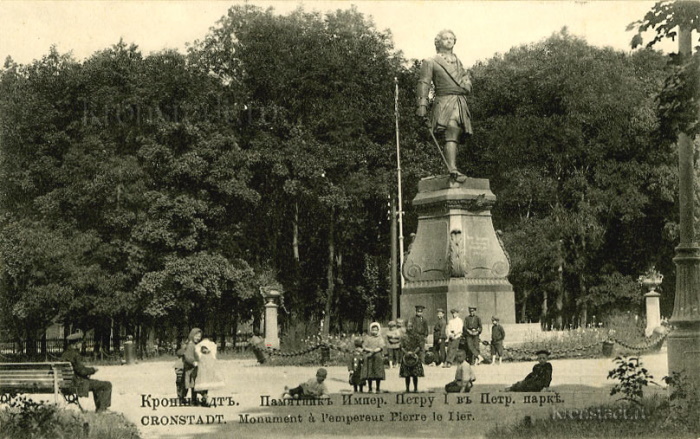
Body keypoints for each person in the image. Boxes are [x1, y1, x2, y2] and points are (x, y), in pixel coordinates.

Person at [416, 29, 473, 180]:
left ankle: (452, 166)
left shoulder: (458, 62)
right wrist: (422, 105)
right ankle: (452, 168)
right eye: (445, 38)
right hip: (444, 101)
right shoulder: (431, 61)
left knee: (456, 132)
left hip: (459, 101)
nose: (449, 41)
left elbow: (466, 79)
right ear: (438, 42)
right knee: (451, 129)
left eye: (451, 38)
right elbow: (424, 83)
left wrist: (467, 85)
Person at [60, 332, 112, 413]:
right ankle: (102, 409)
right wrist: (93, 370)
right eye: (80, 343)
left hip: (68, 383)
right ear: (76, 344)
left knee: (97, 384)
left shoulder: (64, 354)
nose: (81, 345)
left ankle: (101, 408)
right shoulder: (75, 354)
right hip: (78, 384)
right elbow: (82, 371)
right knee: (107, 385)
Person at [183, 327, 207, 406]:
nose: (198, 338)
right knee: (195, 383)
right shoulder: (191, 345)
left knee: (196, 384)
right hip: (191, 368)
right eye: (196, 336)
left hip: (197, 367)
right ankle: (201, 397)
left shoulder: (197, 345)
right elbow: (188, 356)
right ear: (192, 335)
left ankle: (195, 399)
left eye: (199, 337)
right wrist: (193, 362)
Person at [399, 321, 425, 393]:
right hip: (406, 357)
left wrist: (414, 353)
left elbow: (419, 346)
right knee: (407, 375)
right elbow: (401, 347)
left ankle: (415, 388)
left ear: (413, 327)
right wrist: (406, 353)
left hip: (415, 357)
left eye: (411, 327)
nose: (409, 328)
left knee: (415, 374)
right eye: (408, 327)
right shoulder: (404, 336)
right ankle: (407, 389)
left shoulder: (417, 336)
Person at [361, 322, 386, 393]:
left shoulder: (380, 338)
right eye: (373, 330)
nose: (374, 331)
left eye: (376, 330)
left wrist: (375, 350)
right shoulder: (368, 338)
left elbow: (381, 346)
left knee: (378, 372)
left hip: (377, 355)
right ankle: (370, 388)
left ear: (378, 330)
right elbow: (364, 346)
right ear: (370, 330)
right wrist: (369, 350)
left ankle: (378, 388)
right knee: (369, 373)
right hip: (369, 355)